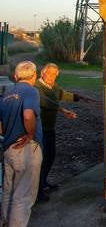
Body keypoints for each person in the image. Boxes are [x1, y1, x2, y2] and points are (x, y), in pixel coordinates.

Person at [0, 60, 43, 227]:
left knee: (9, 190)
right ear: (33, 76)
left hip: (8, 147)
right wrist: (31, 135)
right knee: (24, 193)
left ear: (16, 76)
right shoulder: (30, 91)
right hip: (25, 147)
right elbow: (28, 115)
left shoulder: (6, 94)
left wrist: (8, 135)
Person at [34, 63, 92, 201]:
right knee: (40, 159)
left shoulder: (53, 86)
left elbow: (61, 94)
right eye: (49, 74)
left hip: (50, 128)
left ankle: (43, 182)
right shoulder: (36, 87)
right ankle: (37, 191)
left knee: (50, 155)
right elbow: (45, 101)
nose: (52, 77)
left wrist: (79, 97)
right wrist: (63, 110)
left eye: (55, 74)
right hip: (39, 129)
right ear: (43, 73)